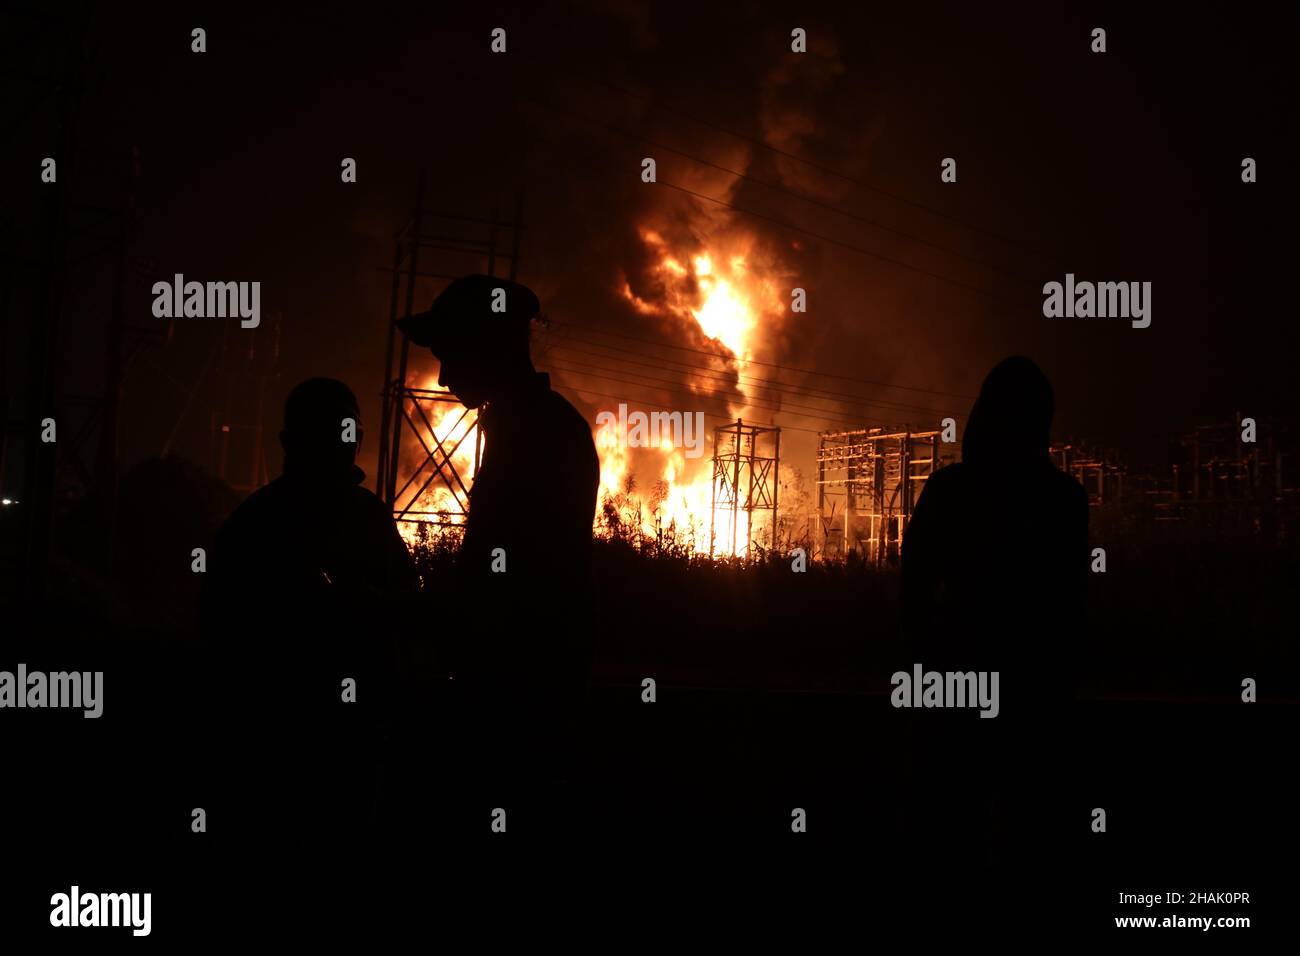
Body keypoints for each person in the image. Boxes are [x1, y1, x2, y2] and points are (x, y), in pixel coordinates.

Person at [395, 274, 600, 831]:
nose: (441, 374)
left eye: (451, 352)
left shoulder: (538, 434)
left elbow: (516, 580)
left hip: (520, 699)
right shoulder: (531, 426)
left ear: (487, 346)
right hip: (526, 687)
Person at [900, 356, 1088, 906]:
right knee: (1030, 841)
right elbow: (1071, 607)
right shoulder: (1064, 501)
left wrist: (925, 673)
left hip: (959, 685)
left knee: (950, 835)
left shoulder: (949, 491)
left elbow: (912, 594)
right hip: (1036, 694)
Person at [200, 377, 418, 846]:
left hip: (348, 739)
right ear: (292, 442)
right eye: (333, 432)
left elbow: (406, 605)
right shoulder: (262, 524)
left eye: (347, 433)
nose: (344, 444)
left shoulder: (360, 517)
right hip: (282, 739)